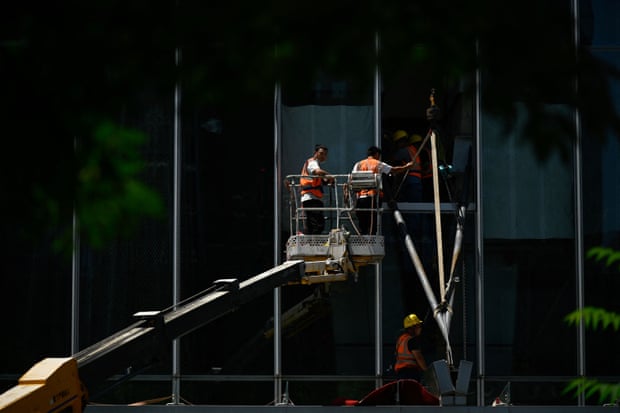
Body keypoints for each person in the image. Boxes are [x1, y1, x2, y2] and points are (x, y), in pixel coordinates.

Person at [351, 146, 414, 234]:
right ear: (377, 154)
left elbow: (353, 179)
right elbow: (393, 170)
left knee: (363, 223)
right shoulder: (378, 163)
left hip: (361, 198)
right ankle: (371, 241)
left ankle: (363, 239)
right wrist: (406, 167)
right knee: (372, 223)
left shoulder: (358, 164)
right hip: (374, 198)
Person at [299, 144, 333, 234]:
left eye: (325, 154)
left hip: (312, 197)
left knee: (313, 223)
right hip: (311, 197)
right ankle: (313, 244)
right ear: (315, 153)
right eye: (321, 153)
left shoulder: (313, 163)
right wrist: (331, 177)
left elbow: (317, 178)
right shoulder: (312, 162)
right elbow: (317, 172)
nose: (323, 156)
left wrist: (326, 180)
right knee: (317, 224)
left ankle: (310, 241)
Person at [394, 313, 428, 382]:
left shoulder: (401, 339)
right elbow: (419, 358)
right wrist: (427, 372)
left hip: (400, 374)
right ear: (412, 327)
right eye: (418, 326)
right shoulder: (412, 340)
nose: (420, 328)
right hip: (410, 373)